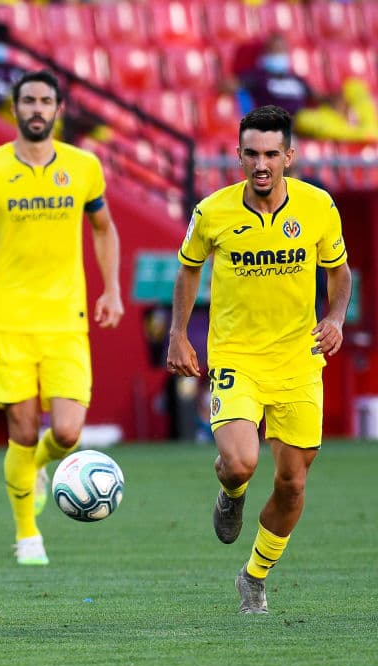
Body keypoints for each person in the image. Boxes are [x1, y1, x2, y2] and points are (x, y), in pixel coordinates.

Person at [166, 105, 351, 615]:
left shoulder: (318, 207)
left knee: (293, 483)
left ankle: (253, 576)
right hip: (236, 357)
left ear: (289, 155)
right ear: (239, 155)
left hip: (299, 359)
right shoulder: (212, 211)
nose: (262, 163)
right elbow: (187, 271)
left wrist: (334, 318)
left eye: (272, 153)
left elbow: (339, 273)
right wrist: (179, 334)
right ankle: (232, 491)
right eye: (252, 153)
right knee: (241, 460)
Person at [0, 69, 123, 566]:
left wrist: (113, 289)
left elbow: (104, 230)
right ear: (15, 109)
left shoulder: (84, 167)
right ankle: (27, 536)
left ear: (58, 109)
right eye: (29, 101)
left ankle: (39, 468)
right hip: (7, 321)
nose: (37, 109)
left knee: (66, 432)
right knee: (21, 430)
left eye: (46, 101)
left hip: (67, 319)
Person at [237, 34, 378, 143]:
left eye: (281, 50)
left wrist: (339, 100)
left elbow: (318, 97)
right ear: (266, 53)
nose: (278, 54)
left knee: (354, 85)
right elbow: (234, 85)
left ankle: (366, 129)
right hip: (289, 122)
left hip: (312, 117)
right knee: (305, 119)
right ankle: (363, 133)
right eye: (274, 50)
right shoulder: (258, 76)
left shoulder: (295, 78)